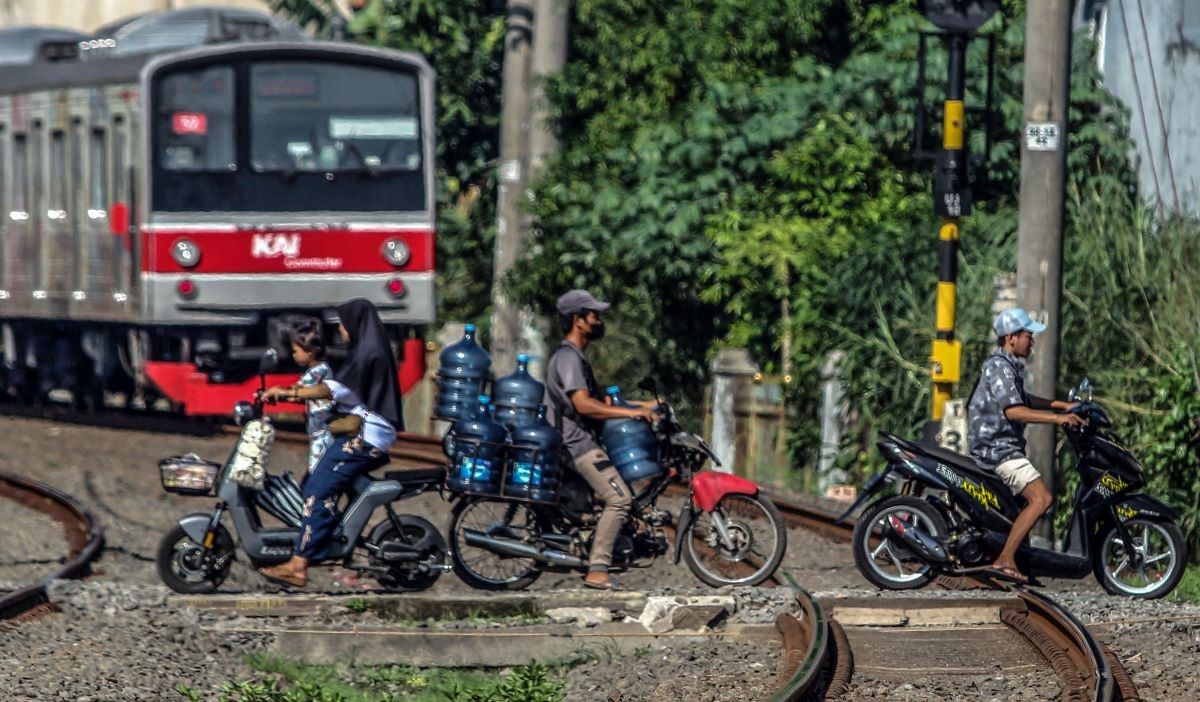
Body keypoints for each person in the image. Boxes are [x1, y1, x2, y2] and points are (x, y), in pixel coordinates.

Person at [257, 299, 404, 587]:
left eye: (344, 322)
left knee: (318, 489)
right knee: (318, 484)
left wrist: (287, 393)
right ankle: (327, 540)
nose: (340, 329)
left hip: (365, 438)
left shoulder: (367, 353)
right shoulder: (367, 350)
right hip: (365, 434)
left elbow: (330, 389)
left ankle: (299, 564)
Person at [544, 289, 659, 591]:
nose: (598, 320)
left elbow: (604, 399)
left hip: (579, 440)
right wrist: (630, 414)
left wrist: (647, 407)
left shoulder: (576, 358)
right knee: (619, 498)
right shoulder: (568, 358)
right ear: (577, 320)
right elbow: (583, 405)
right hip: (575, 444)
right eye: (593, 315)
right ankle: (597, 569)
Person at [967, 307, 1086, 583]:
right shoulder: (999, 366)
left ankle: (1017, 557)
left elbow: (1023, 399)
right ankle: (1005, 560)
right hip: (997, 450)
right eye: (1027, 335)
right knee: (1042, 498)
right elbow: (1014, 411)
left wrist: (1062, 405)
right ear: (1011, 338)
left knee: (1023, 504)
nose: (1031, 341)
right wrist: (1058, 419)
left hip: (1001, 446)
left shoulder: (1006, 365)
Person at [280, 318, 334, 475]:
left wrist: (279, 394)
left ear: (309, 352)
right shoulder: (322, 368)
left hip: (322, 431)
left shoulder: (318, 371)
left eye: (296, 351)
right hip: (319, 429)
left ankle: (317, 498)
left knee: (317, 471)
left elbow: (298, 391)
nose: (294, 356)